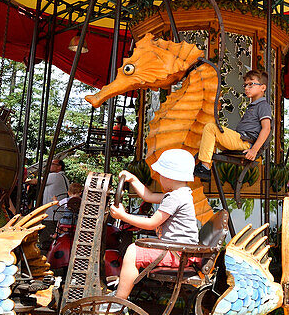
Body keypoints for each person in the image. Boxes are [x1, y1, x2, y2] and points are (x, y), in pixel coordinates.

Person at [108, 149, 200, 302]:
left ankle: (119, 301)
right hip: (180, 251)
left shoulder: (175, 197)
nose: (158, 178)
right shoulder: (180, 194)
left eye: (160, 175)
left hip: (178, 253)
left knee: (133, 252)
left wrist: (122, 216)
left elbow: (151, 224)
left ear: (169, 177)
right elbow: (148, 196)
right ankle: (121, 291)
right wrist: (133, 180)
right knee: (136, 248)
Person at [195, 70, 271, 179]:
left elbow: (266, 129)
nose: (246, 88)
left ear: (262, 88)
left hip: (245, 142)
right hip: (240, 140)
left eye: (251, 84)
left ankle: (205, 167)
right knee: (209, 136)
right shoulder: (252, 106)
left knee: (211, 128)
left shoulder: (263, 105)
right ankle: (204, 166)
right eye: (245, 85)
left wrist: (254, 150)